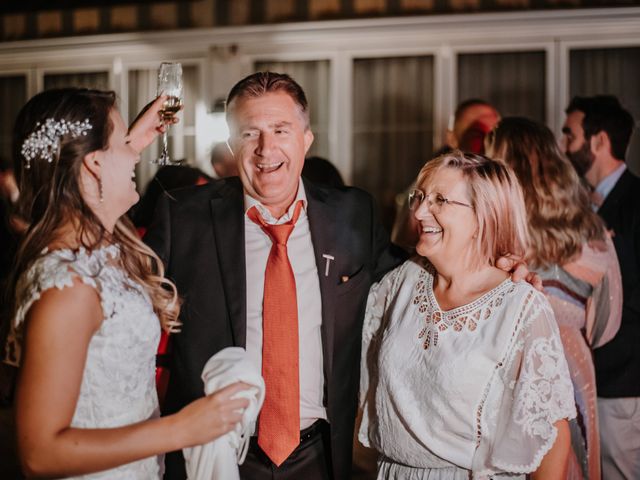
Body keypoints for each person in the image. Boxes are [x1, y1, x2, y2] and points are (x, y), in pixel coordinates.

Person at [144, 71, 405, 480]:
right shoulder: (183, 215)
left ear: (306, 139)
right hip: (216, 454)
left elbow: (413, 283)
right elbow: (120, 290)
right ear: (232, 146)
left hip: (320, 456)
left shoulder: (352, 214)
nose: (266, 149)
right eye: (250, 133)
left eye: (281, 130)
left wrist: (494, 274)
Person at [3, 88, 250, 479]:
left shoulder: (98, 250)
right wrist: (183, 428)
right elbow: (39, 453)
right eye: (124, 144)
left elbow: (96, 190)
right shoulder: (68, 290)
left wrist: (131, 139)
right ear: (95, 164)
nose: (136, 154)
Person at [359, 151, 575, 479]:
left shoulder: (521, 307)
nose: (418, 211)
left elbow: (551, 436)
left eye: (440, 200)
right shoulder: (400, 281)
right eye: (419, 197)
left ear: (484, 216)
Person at [486, 116, 623, 480]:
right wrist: (569, 328)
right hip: (573, 361)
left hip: (503, 360)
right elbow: (608, 322)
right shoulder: (591, 230)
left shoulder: (490, 231)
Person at [562, 95, 640, 480]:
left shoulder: (637, 202)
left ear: (599, 141)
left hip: (624, 379)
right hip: (585, 377)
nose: (563, 145)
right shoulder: (578, 206)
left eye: (569, 135)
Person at [391, 99, 500, 252]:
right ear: (452, 139)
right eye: (475, 134)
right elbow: (402, 245)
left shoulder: (506, 183)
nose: (486, 143)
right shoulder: (428, 183)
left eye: (493, 135)